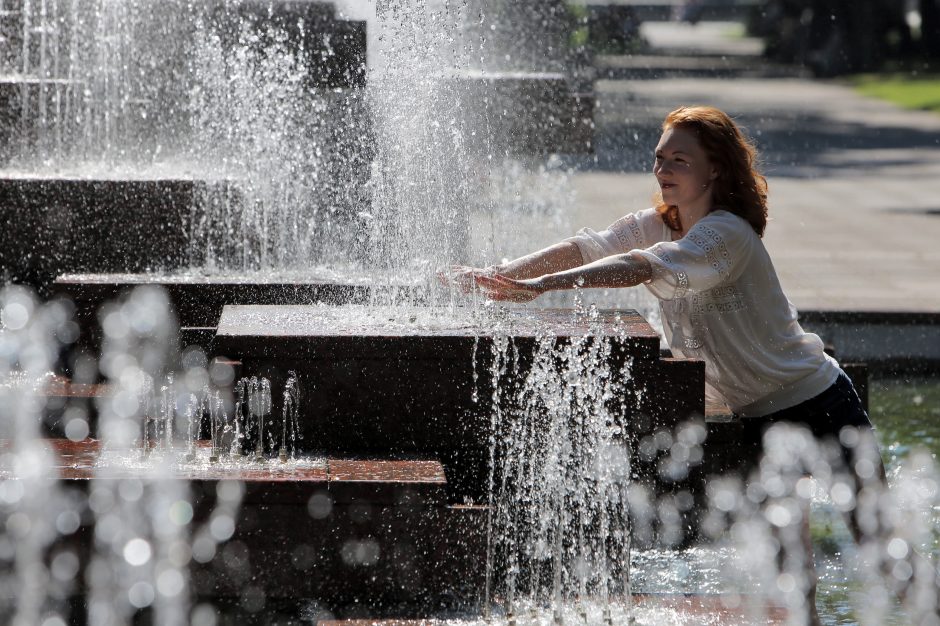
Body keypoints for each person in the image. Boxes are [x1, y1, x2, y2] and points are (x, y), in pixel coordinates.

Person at [446, 105, 926, 624]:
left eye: (680, 159)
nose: (664, 170)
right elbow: (589, 246)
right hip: (760, 416)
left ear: (715, 169)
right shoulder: (662, 223)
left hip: (821, 403)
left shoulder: (727, 235)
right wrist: (501, 276)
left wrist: (541, 289)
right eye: (659, 158)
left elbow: (640, 267)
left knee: (883, 553)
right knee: (791, 573)